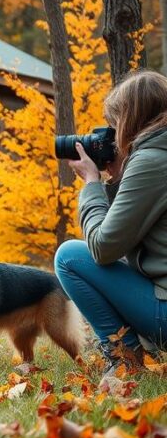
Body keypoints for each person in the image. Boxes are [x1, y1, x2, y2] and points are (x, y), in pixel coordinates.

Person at [55, 71, 167, 383]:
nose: (114, 134)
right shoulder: (158, 155)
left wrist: (92, 183)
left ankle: (125, 358)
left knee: (70, 257)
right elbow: (135, 234)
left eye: (116, 123)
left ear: (131, 119)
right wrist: (119, 179)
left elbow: (104, 248)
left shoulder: (151, 161)